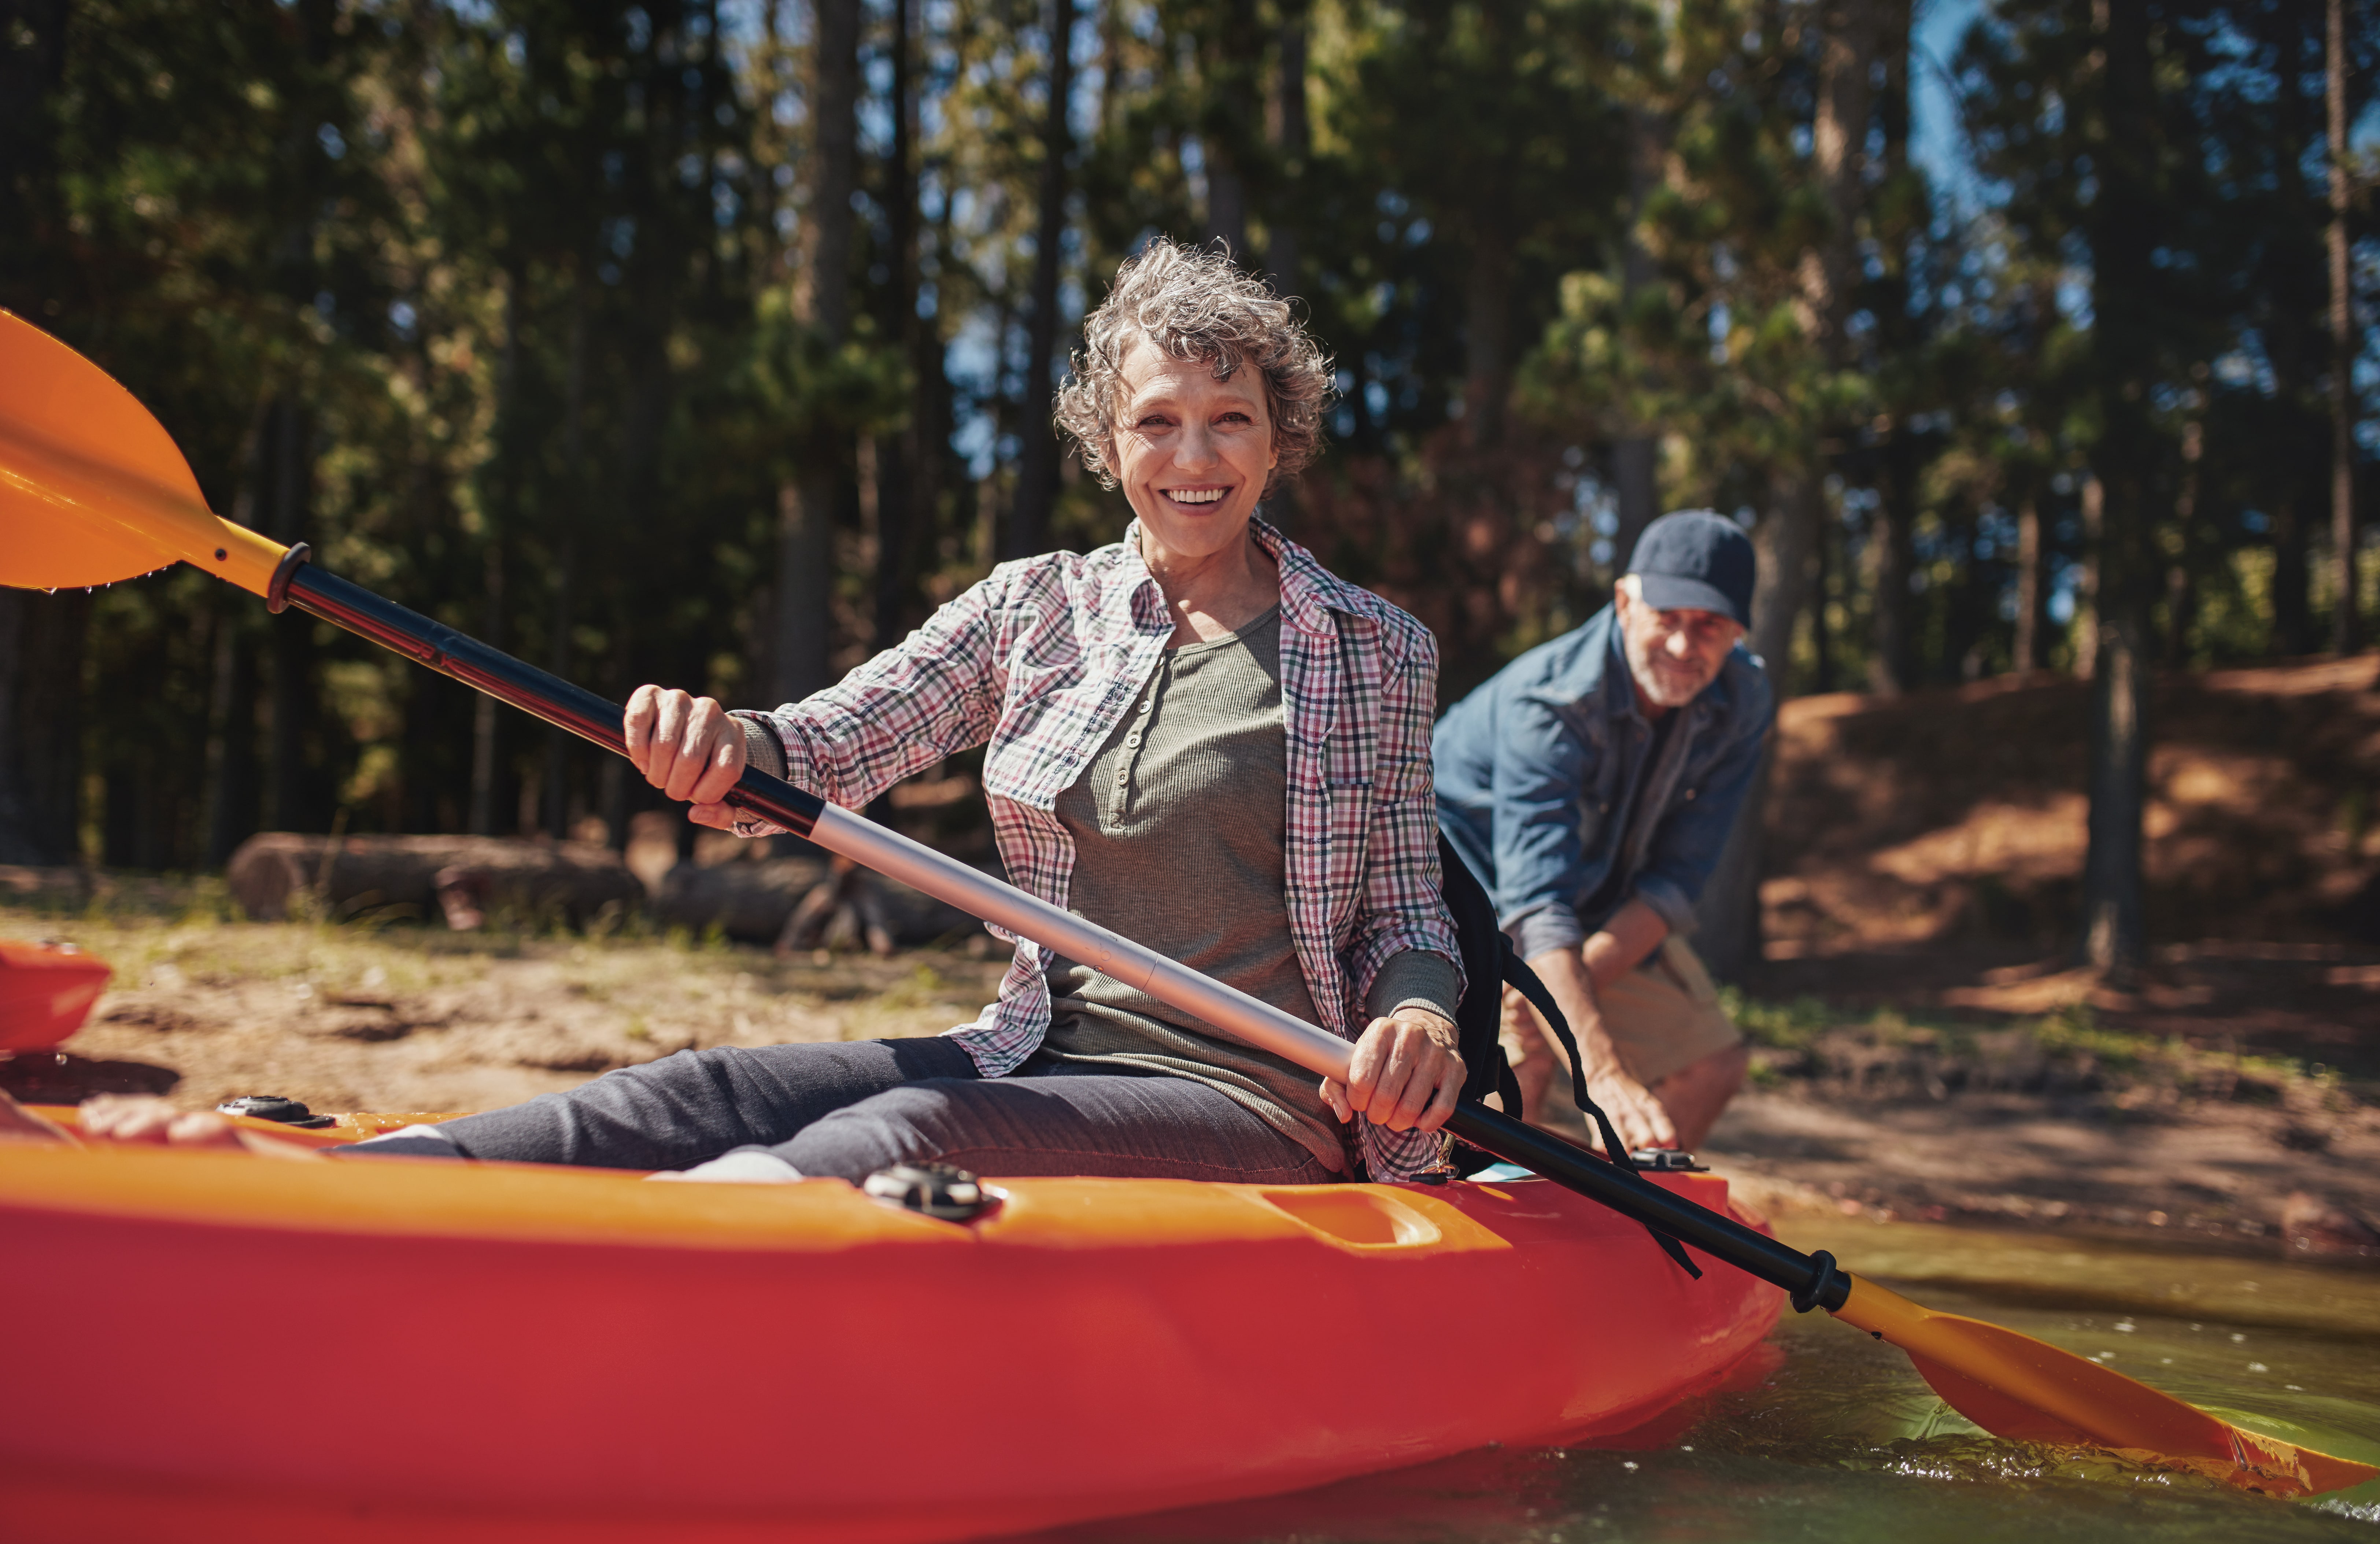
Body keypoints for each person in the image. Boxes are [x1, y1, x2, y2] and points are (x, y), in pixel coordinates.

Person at [80, 240, 1468, 1186]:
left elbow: (1407, 919)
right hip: (1036, 1045)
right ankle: (336, 1191)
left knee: (907, 1127)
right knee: (697, 1091)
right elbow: (826, 744)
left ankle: (649, 1285)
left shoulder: (1369, 649)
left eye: (1228, 419)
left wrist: (1421, 1029)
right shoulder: (1034, 607)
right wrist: (725, 743)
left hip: (1257, 1098)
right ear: (1107, 447)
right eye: (1156, 421)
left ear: (1278, 436)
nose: (1192, 455)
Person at [1433, 510, 1772, 1155]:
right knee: (1515, 1078)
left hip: (1585, 910)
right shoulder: (1550, 704)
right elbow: (1536, 909)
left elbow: (1675, 883)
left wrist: (1547, 1004)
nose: (1682, 645)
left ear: (1738, 634)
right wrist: (1603, 1073)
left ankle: (1619, 1223)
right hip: (1455, 897)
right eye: (1667, 617)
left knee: (1712, 1067)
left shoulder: (1745, 699)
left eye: (1709, 626)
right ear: (1624, 602)